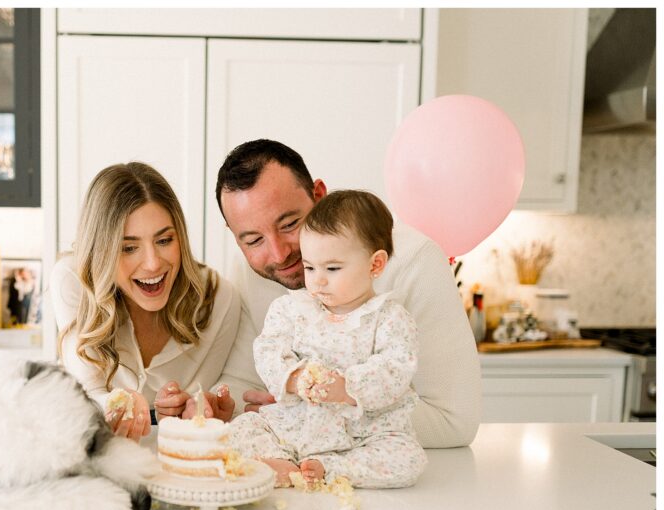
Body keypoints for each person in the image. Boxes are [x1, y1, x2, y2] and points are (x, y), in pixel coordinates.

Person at [214, 139, 481, 448]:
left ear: (319, 196)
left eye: (289, 224)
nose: (278, 253)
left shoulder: (415, 260)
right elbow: (243, 382)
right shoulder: (250, 270)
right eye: (253, 240)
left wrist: (317, 413)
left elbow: (454, 422)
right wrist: (214, 405)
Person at [227, 190, 426, 488]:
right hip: (296, 423)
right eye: (309, 267)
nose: (317, 280)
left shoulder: (390, 318)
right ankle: (281, 462)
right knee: (240, 428)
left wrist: (348, 387)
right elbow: (268, 349)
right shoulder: (292, 308)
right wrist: (293, 378)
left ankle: (328, 468)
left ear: (375, 265)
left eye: (332, 268)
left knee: (409, 459)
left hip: (362, 432)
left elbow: (396, 368)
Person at [51, 162, 240, 441]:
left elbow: (210, 400)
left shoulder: (218, 299)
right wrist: (116, 405)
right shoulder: (74, 279)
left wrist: (192, 406)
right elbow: (84, 394)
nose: (152, 264)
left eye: (164, 240)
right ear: (100, 251)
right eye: (128, 248)